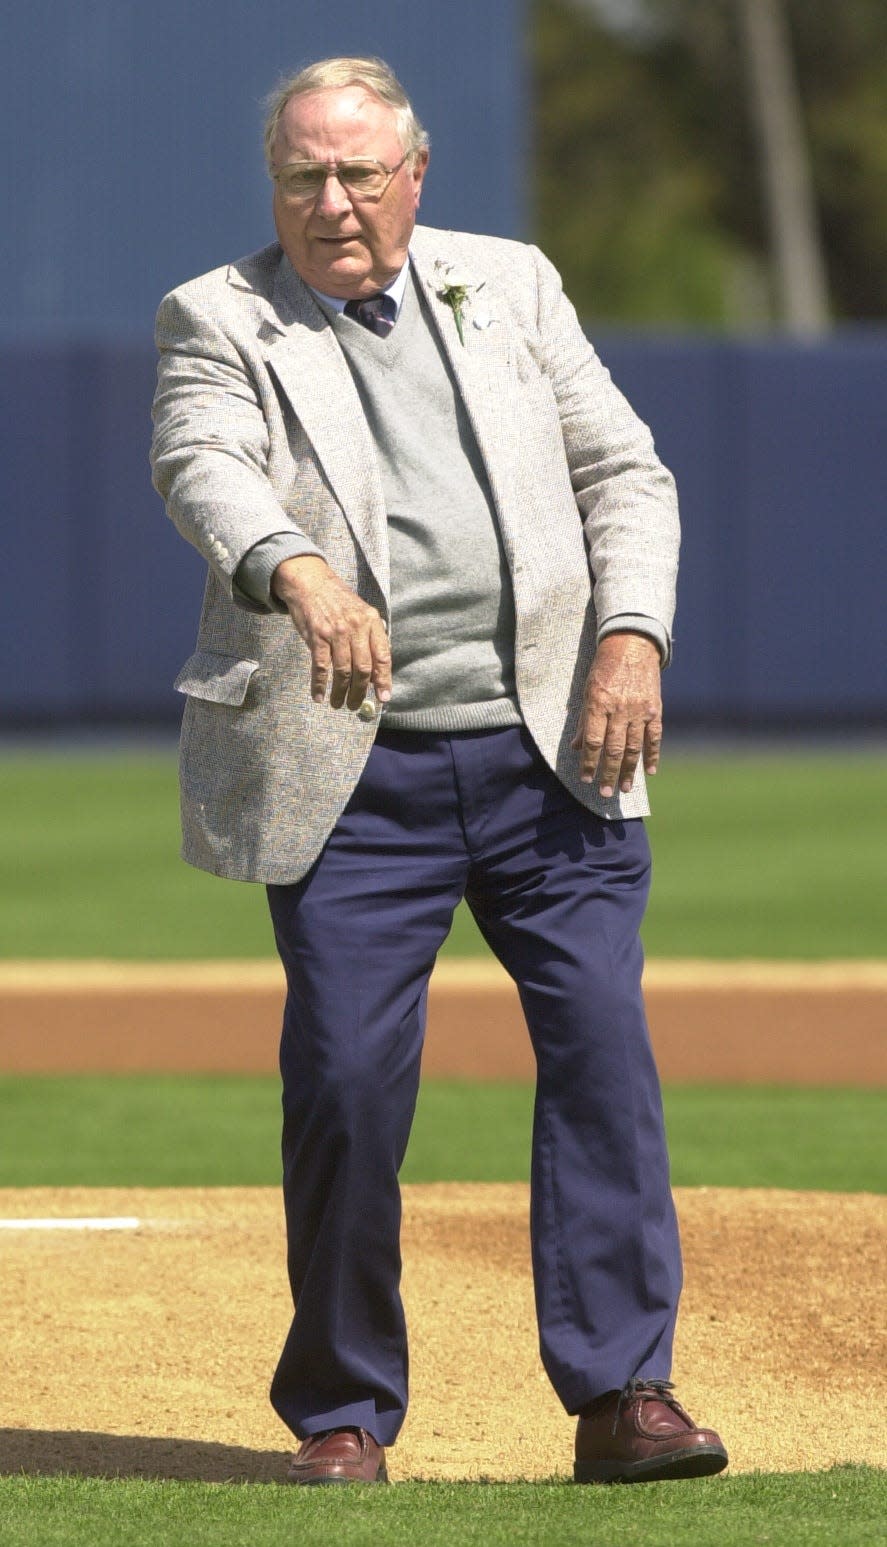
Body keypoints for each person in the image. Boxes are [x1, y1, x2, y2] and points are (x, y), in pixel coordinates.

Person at [151, 55, 728, 1487]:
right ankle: (345, 1409)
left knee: (601, 1050)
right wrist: (297, 574)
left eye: (359, 174)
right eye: (304, 177)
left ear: (416, 174)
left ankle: (625, 1395)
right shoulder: (219, 316)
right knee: (344, 1078)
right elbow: (201, 463)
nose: (333, 202)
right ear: (273, 186)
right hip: (358, 782)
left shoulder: (510, 283)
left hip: (557, 755)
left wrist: (634, 640)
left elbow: (623, 475)